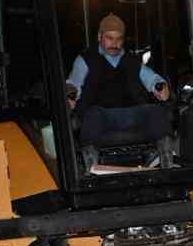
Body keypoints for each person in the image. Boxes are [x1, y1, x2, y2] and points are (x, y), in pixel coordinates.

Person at [65, 13, 173, 168]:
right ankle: (91, 166)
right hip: (101, 115)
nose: (114, 44)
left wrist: (160, 85)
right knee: (92, 115)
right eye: (109, 38)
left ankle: (167, 162)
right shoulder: (85, 59)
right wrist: (71, 94)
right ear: (99, 36)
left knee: (155, 111)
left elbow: (152, 78)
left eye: (119, 39)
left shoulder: (131, 60)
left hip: (132, 112)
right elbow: (73, 84)